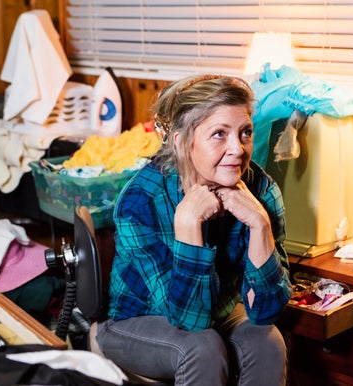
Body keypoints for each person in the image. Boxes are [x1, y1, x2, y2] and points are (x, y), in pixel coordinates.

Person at [95, 74, 292, 385]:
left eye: (245, 133)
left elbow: (266, 310)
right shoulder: (141, 199)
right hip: (136, 320)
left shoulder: (261, 190)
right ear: (183, 142)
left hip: (219, 311)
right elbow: (188, 319)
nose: (238, 150)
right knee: (202, 348)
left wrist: (260, 224)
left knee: (267, 341)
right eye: (219, 134)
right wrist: (188, 227)